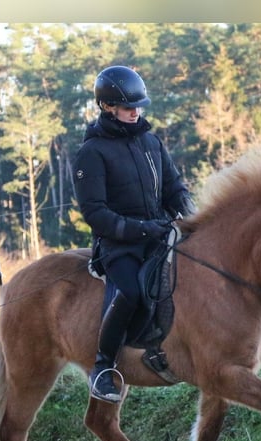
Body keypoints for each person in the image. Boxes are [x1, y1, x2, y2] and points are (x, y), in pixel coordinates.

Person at [73, 65, 196, 403]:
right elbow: (95, 214)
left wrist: (191, 213)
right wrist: (141, 229)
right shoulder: (91, 153)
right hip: (119, 246)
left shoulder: (151, 142)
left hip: (160, 235)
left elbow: (174, 188)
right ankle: (104, 365)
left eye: (138, 106)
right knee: (130, 289)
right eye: (129, 108)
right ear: (107, 107)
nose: (135, 112)